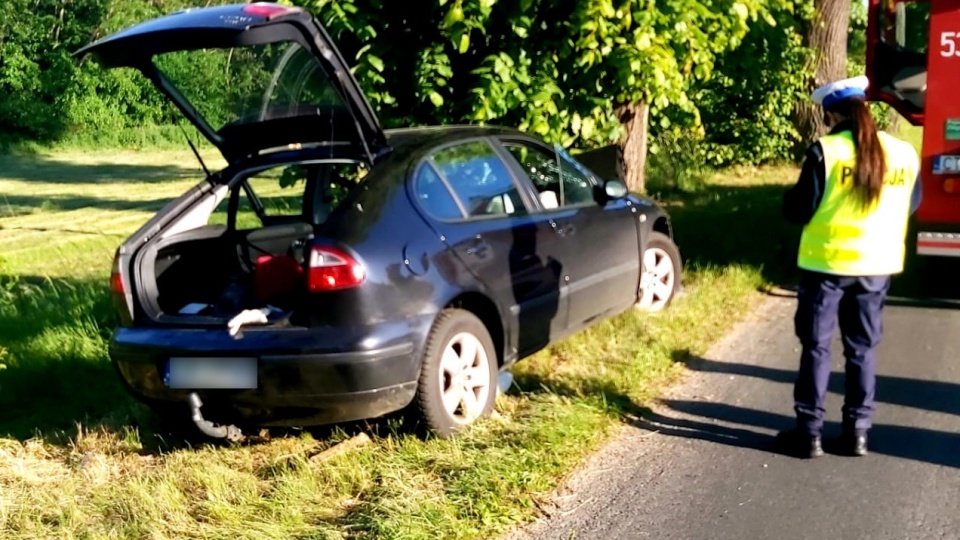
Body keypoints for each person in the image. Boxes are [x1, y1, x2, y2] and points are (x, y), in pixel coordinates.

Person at [777, 75, 922, 458]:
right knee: (862, 350)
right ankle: (857, 431)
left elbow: (799, 209)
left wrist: (787, 198)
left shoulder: (826, 151)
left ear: (830, 114)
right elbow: (911, 203)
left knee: (817, 348)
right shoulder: (903, 153)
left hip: (826, 264)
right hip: (878, 266)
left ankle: (809, 433)